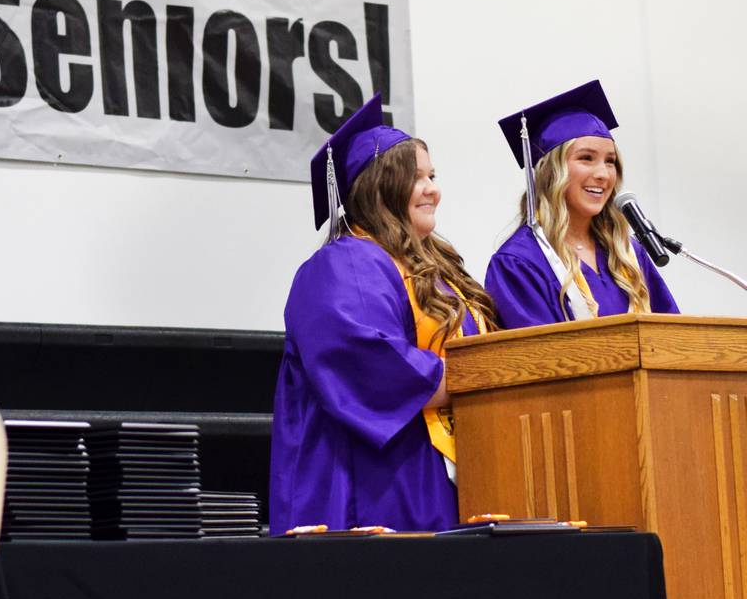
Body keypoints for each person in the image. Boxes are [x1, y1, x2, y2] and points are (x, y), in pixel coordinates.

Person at [269, 94, 497, 534]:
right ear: (379, 186)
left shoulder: (436, 268)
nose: (434, 189)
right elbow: (377, 366)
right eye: (416, 178)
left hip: (447, 470)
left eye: (433, 175)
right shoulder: (343, 264)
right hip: (378, 484)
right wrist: (489, 376)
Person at [485, 80, 679, 328]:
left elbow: (672, 336)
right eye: (586, 158)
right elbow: (536, 359)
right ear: (551, 172)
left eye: (610, 162)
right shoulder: (519, 263)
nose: (603, 174)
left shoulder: (628, 254)